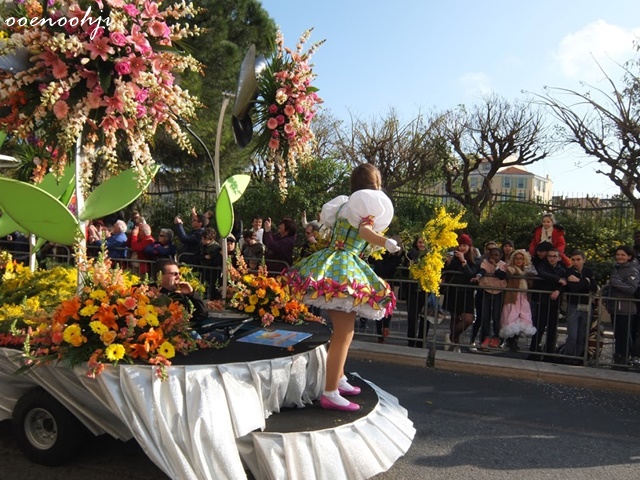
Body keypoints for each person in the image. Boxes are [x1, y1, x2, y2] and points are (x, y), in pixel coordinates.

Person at [285, 164, 400, 412]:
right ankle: (330, 392)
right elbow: (365, 231)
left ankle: (337, 378)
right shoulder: (365, 207)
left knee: (345, 332)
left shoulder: (343, 205)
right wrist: (386, 242)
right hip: (343, 266)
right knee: (344, 333)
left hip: (334, 262)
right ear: (375, 183)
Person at [529, 247, 567, 360]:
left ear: (559, 258)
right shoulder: (542, 266)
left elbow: (566, 284)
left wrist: (558, 290)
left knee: (552, 329)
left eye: (554, 256)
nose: (552, 258)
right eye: (550, 256)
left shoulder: (562, 269)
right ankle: (534, 351)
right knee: (539, 327)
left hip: (555, 303)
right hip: (542, 301)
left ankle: (549, 353)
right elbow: (541, 273)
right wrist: (557, 279)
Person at [442, 234, 478, 349]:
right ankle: (454, 343)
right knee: (455, 317)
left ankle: (451, 337)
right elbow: (448, 271)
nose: (462, 248)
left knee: (468, 319)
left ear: (469, 246)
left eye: (464, 245)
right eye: (460, 245)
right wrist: (450, 262)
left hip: (467, 293)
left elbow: (471, 274)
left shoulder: (474, 259)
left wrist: (463, 261)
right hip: (454, 291)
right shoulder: (454, 258)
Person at [606, 245, 640, 365]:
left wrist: (615, 281)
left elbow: (631, 288)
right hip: (615, 307)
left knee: (625, 335)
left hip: (626, 308)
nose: (619, 257)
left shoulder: (632, 270)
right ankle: (619, 356)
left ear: (629, 256)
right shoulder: (617, 268)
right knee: (618, 334)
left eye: (623, 255)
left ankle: (624, 357)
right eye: (618, 254)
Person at [471, 247, 507, 350]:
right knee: (485, 316)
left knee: (496, 317)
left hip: (498, 292)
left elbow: (501, 275)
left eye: (496, 255)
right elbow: (482, 271)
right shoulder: (485, 263)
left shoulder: (503, 265)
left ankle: (496, 337)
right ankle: (486, 337)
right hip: (486, 291)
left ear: (500, 256)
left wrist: (495, 265)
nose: (493, 257)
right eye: (492, 255)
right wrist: (478, 277)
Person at [563, 250, 597, 360]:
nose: (576, 262)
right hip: (573, 305)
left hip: (586, 305)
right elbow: (573, 288)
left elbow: (594, 287)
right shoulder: (568, 271)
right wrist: (585, 282)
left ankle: (577, 358)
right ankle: (568, 357)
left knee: (582, 336)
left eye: (578, 259)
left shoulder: (588, 271)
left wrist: (579, 280)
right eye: (573, 260)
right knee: (572, 335)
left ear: (584, 260)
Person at [499, 249, 536, 350]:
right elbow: (508, 272)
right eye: (516, 258)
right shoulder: (511, 269)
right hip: (512, 297)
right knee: (511, 318)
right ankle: (508, 341)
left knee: (523, 318)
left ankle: (514, 340)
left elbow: (531, 284)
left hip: (523, 297)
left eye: (521, 259)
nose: (518, 261)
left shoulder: (527, 271)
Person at [155, 258, 208, 326]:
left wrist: (192, 294)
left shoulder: (178, 295)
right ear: (160, 275)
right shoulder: (149, 293)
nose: (179, 277)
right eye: (175, 274)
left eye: (179, 273)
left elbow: (202, 316)